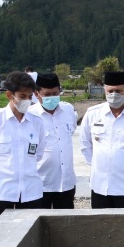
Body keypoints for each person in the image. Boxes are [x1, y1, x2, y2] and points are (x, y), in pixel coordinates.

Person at [0, 71, 46, 223]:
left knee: (30, 235)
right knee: (0, 236)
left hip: (30, 190)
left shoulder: (37, 122)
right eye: (22, 97)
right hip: (3, 190)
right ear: (9, 95)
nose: (27, 101)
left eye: (30, 97)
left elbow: (38, 153)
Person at [80, 71, 124, 208]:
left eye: (119, 91)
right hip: (100, 186)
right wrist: (99, 164)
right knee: (101, 226)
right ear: (104, 90)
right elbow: (85, 145)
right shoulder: (92, 114)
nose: (114, 94)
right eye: (110, 90)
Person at [28, 73, 78, 209]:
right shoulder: (30, 115)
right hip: (41, 183)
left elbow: (71, 131)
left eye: (55, 93)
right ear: (37, 94)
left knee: (65, 225)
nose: (51, 97)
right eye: (47, 94)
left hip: (66, 183)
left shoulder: (68, 110)